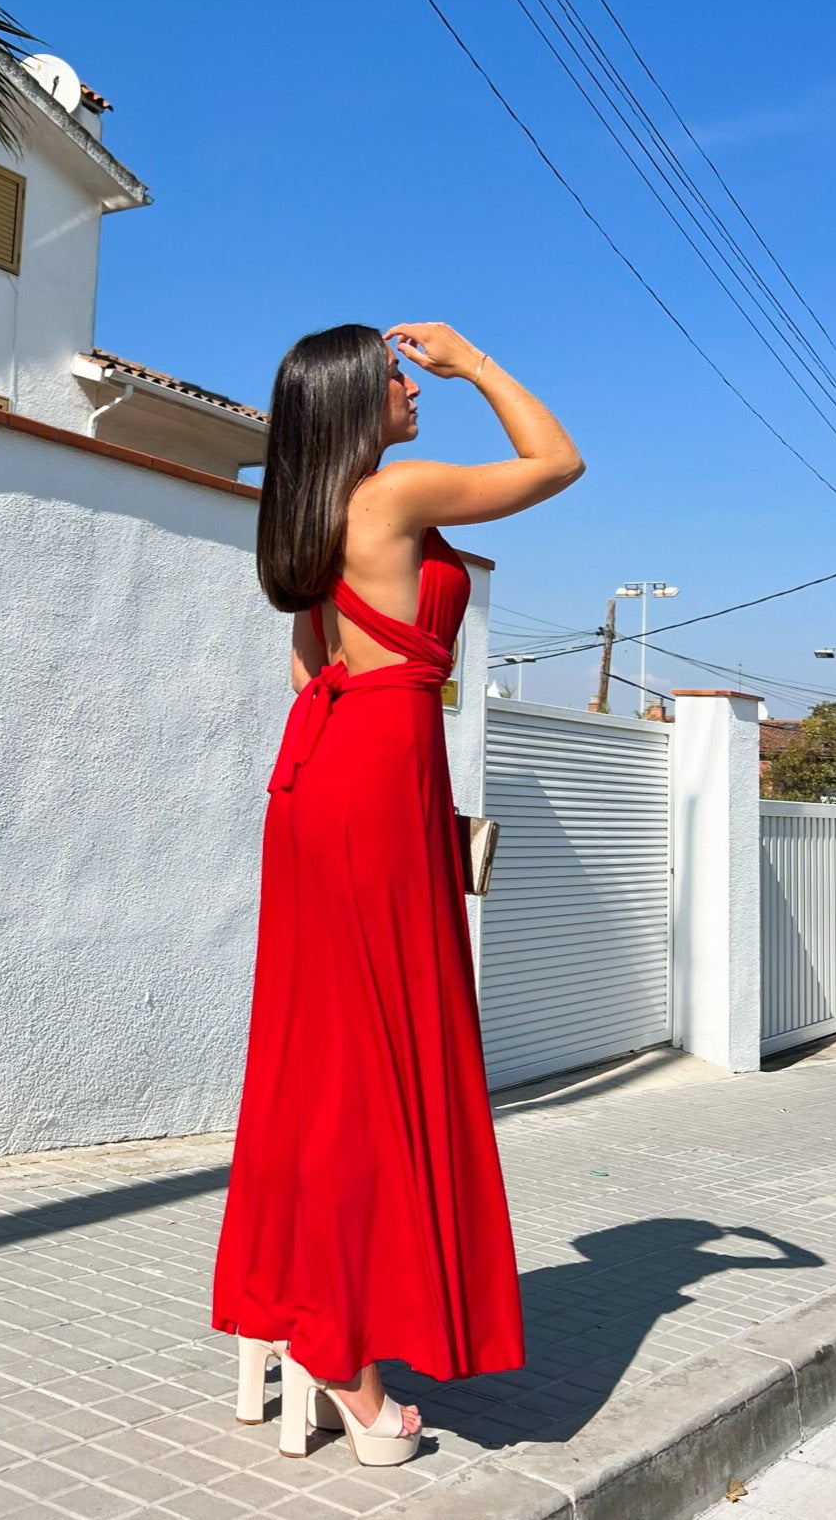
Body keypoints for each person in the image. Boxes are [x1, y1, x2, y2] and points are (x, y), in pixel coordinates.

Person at [211, 320, 584, 1467]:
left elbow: (307, 669)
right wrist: (479, 361)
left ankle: (288, 1318)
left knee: (315, 1064)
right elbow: (557, 460)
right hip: (378, 780)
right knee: (374, 1070)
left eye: (418, 371)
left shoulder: (308, 517)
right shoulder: (396, 493)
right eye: (395, 377)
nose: (412, 384)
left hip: (321, 780)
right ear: (350, 403)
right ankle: (347, 1367)